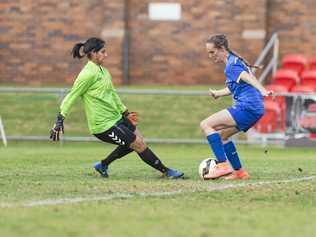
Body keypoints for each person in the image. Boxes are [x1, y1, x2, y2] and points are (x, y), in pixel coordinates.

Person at [49, 37, 184, 179]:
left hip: (116, 118)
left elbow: (113, 95)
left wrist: (125, 112)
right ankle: (166, 171)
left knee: (138, 139)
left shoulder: (104, 72)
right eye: (103, 52)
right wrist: (60, 119)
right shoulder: (87, 74)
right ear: (94, 53)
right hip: (103, 125)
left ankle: (103, 165)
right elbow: (72, 96)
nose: (106, 55)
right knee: (137, 144)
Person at [200, 34, 273, 180]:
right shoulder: (233, 62)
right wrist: (218, 93)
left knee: (206, 124)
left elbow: (248, 77)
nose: (210, 56)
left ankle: (222, 165)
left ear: (221, 49)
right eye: (208, 53)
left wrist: (263, 90)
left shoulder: (231, 66)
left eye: (212, 52)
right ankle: (240, 173)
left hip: (247, 107)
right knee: (223, 136)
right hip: (255, 109)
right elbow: (235, 87)